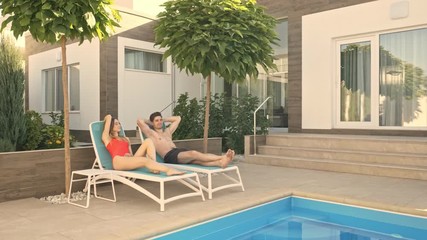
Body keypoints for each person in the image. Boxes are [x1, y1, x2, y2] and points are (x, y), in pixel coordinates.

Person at [137, 112, 235, 168]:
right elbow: (139, 121)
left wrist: (164, 119)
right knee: (193, 153)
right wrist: (149, 121)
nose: (159, 122)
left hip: (178, 152)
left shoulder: (167, 131)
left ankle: (220, 163)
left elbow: (178, 118)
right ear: (152, 123)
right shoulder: (152, 134)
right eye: (156, 121)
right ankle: (222, 157)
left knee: (197, 160)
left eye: (160, 120)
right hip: (169, 156)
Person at [102, 114, 184, 176]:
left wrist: (129, 156)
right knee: (145, 160)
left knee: (148, 141)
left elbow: (131, 155)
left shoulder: (126, 139)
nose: (119, 125)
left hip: (128, 160)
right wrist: (108, 120)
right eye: (116, 124)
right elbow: (108, 117)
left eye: (119, 123)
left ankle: (153, 167)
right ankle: (168, 170)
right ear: (110, 126)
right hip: (118, 161)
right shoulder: (107, 138)